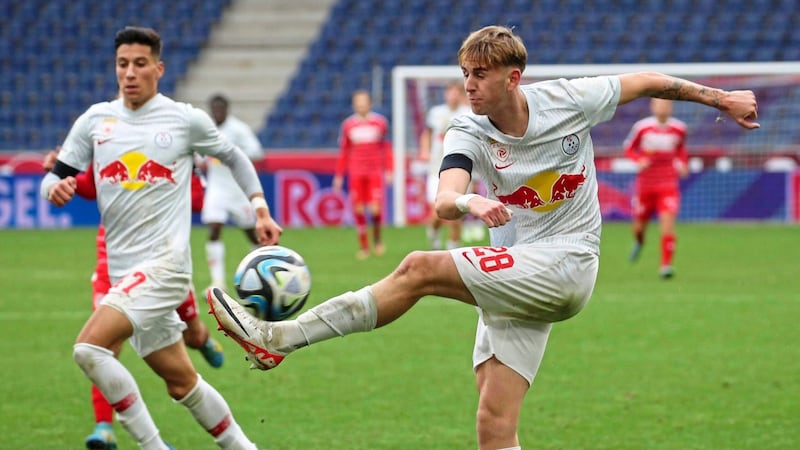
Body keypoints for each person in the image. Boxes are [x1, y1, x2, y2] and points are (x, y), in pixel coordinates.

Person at [207, 25, 759, 450]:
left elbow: (647, 83)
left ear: (512, 78)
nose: (467, 84)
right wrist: (471, 200)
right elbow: (445, 197)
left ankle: (278, 340)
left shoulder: (569, 99)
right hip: (519, 267)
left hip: (569, 263)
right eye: (465, 72)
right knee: (494, 427)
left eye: (479, 74)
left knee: (419, 268)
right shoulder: (467, 129)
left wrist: (722, 99)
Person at [40, 26, 282, 449]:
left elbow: (234, 156)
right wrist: (53, 187)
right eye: (122, 64)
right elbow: (55, 176)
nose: (129, 73)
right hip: (124, 274)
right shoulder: (96, 121)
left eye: (139, 64)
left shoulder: (184, 120)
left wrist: (260, 208)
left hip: (166, 267)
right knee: (181, 382)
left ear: (158, 68)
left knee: (88, 350)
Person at [42, 150, 226, 449]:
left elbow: (198, 201)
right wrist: (67, 175)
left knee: (190, 336)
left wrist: (178, 178)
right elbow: (91, 186)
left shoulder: (168, 152)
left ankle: (201, 339)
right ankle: (104, 427)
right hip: (112, 268)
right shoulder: (112, 144)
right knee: (100, 348)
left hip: (162, 264)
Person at [200, 93, 265, 289]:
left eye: (220, 110)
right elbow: (199, 155)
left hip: (238, 190)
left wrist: (234, 154)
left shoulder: (238, 129)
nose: (217, 113)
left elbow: (258, 151)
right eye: (214, 110)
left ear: (227, 110)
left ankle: (260, 276)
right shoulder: (206, 130)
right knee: (214, 229)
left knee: (251, 234)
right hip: (216, 189)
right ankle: (218, 282)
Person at [623, 98, 689, 279]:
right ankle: (639, 242)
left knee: (667, 226)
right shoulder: (642, 128)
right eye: (659, 104)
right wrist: (639, 160)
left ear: (671, 107)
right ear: (653, 107)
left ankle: (666, 266)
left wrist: (683, 164)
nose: (662, 108)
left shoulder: (679, 129)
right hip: (645, 185)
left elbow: (681, 151)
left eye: (666, 104)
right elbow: (628, 148)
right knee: (638, 229)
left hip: (668, 185)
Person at [332, 90, 392, 259]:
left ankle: (378, 240)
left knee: (375, 208)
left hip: (374, 172)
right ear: (354, 104)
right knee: (358, 208)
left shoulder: (380, 122)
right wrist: (338, 175)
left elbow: (386, 148)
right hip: (356, 172)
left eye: (364, 101)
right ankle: (364, 247)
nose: (361, 104)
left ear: (369, 103)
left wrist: (389, 169)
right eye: (358, 101)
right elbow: (344, 152)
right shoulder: (348, 125)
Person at [418, 81, 471, 250]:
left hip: (460, 168)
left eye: (457, 92)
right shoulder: (436, 113)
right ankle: (433, 236)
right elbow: (427, 134)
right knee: (437, 213)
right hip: (437, 169)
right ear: (446, 94)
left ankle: (452, 253)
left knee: (457, 213)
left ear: (461, 95)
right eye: (451, 92)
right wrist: (425, 150)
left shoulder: (467, 113)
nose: (453, 95)